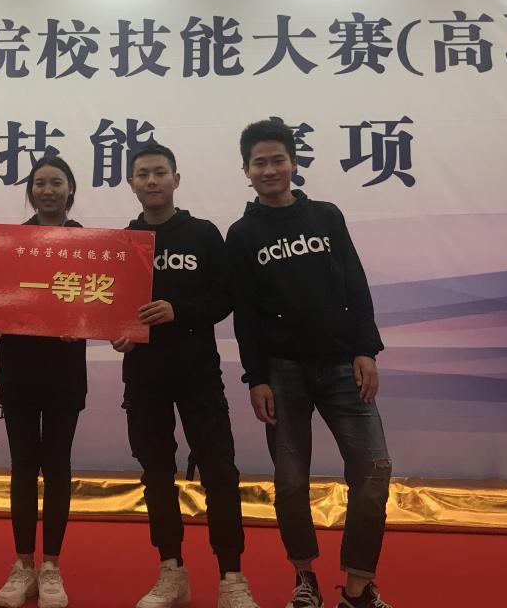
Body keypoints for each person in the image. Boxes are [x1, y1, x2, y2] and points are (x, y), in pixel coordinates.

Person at [226, 120, 392, 608]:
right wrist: (256, 378)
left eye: (278, 160)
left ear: (294, 163)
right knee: (291, 481)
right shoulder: (242, 234)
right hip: (282, 373)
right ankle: (305, 577)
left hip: (342, 365)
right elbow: (245, 315)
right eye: (259, 163)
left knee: (374, 470)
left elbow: (355, 285)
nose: (269, 170)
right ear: (246, 171)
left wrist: (366, 349)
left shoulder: (326, 216)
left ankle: (358, 588)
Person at [112, 144, 259, 608]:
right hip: (143, 377)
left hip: (198, 374)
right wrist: (116, 333)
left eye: (160, 172)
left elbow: (226, 297)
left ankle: (231, 577)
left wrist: (180, 311)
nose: (151, 181)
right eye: (142, 174)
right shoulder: (122, 242)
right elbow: (108, 304)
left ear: (176, 179)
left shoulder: (202, 234)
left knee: (220, 472)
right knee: (157, 475)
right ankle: (171, 571)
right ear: (131, 184)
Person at [0, 156, 87, 608]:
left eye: (56, 182)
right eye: (39, 183)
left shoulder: (88, 245)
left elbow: (101, 303)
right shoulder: (10, 244)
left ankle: (51, 567)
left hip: (65, 372)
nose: (47, 190)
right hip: (19, 370)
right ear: (31, 191)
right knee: (23, 466)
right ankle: (23, 564)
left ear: (70, 189)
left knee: (57, 466)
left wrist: (84, 321)